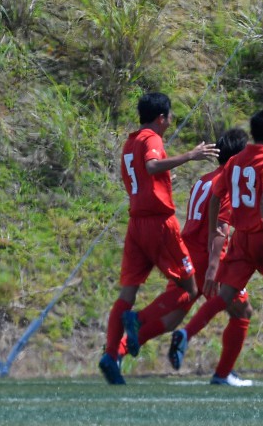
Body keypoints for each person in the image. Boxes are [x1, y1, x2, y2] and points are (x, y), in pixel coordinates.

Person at [168, 110, 263, 386]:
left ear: (253, 133)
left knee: (224, 297)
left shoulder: (234, 161)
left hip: (241, 240)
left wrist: (212, 239)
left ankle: (187, 334)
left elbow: (215, 198)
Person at [119, 128, 255, 387]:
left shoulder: (203, 180)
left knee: (172, 317)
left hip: (187, 251)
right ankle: (223, 373)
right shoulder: (227, 185)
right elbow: (219, 230)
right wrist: (215, 267)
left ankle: (118, 351)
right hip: (207, 256)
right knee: (242, 310)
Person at [98, 92, 218, 385]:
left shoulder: (130, 141)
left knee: (126, 293)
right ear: (161, 117)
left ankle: (111, 355)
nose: (169, 123)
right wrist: (190, 155)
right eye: (169, 117)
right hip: (159, 224)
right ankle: (138, 320)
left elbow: (141, 177)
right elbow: (151, 166)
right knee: (190, 288)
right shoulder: (152, 138)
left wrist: (164, 182)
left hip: (136, 224)